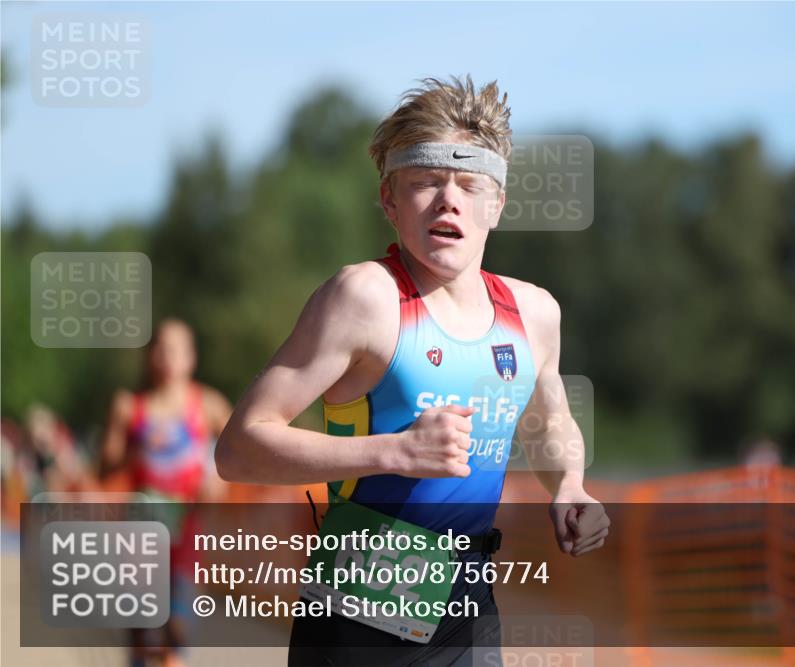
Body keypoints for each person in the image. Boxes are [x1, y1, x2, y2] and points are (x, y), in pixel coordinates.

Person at [215, 75, 610, 666]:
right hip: (356, 605)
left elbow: (546, 426)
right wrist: (392, 452)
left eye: (469, 184)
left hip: (467, 604)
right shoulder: (363, 298)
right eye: (424, 182)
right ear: (389, 201)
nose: (448, 199)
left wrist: (571, 486)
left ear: (496, 205)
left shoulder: (534, 313)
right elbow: (239, 449)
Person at [99, 317, 232, 667]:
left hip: (187, 534)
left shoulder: (208, 404)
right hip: (141, 536)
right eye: (160, 348)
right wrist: (130, 450)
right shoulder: (129, 406)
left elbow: (238, 452)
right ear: (149, 356)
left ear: (191, 358)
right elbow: (104, 467)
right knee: (142, 632)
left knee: (178, 629)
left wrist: (216, 479)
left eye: (176, 349)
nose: (167, 356)